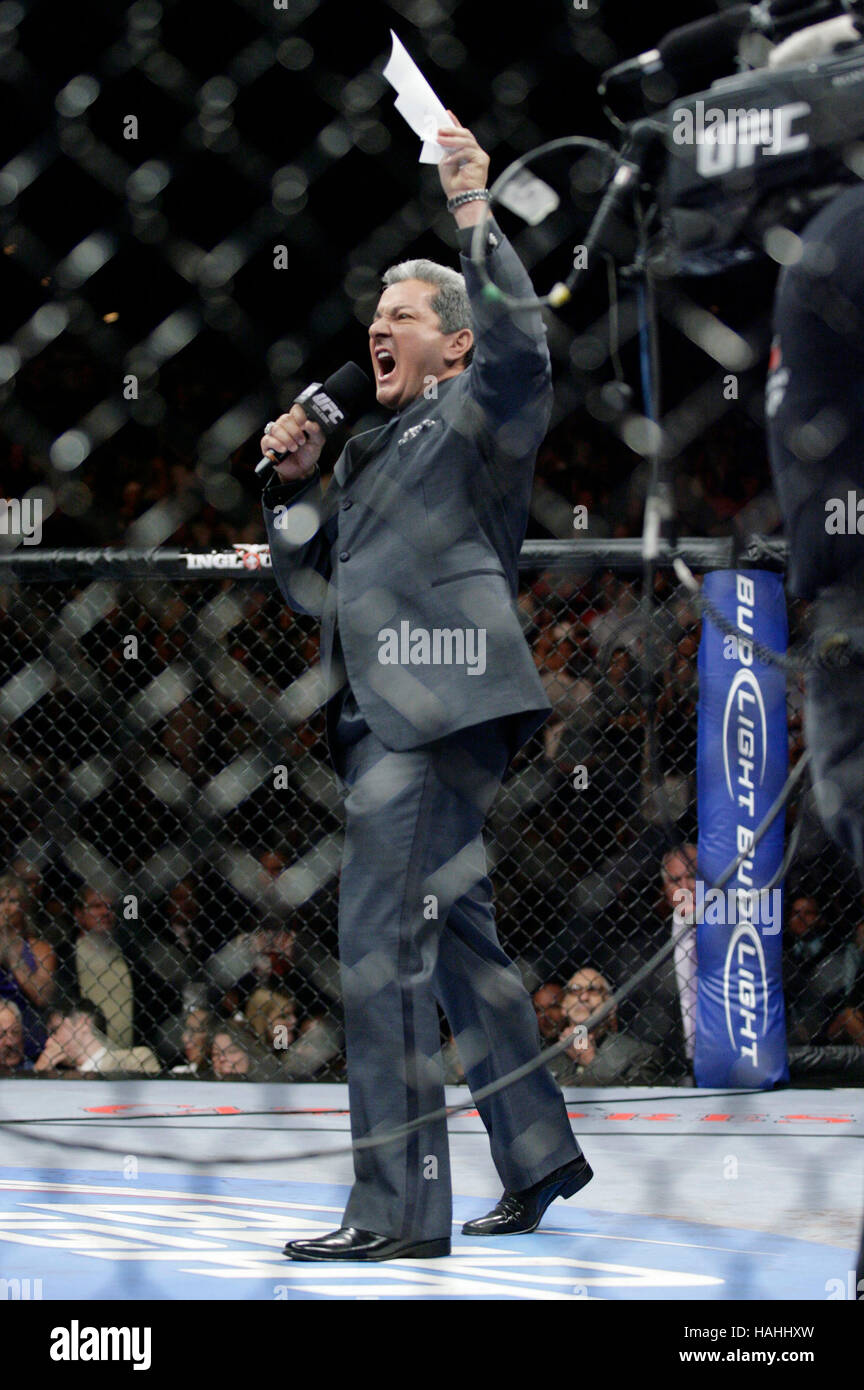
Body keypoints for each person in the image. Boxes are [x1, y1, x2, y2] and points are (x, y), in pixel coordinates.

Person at [260, 114, 591, 1262]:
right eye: (377, 313)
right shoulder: (365, 448)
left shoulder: (479, 413)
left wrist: (472, 213)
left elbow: (524, 348)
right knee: (454, 942)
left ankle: (397, 1209)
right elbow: (315, 585)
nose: (379, 328)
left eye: (405, 315)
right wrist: (293, 484)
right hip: (380, 717)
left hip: (442, 707)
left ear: (452, 346)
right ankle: (541, 1152)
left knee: (378, 941)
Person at [550, 968, 662, 1086]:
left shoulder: (641, 1055)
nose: (583, 997)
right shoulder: (543, 1058)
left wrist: (590, 1060)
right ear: (563, 1006)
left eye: (594, 990)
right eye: (575, 989)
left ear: (612, 1007)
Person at [33, 1000, 160, 1076]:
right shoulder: (58, 1076)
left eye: (55, 1031)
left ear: (82, 1024)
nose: (49, 1042)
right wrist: (40, 1071)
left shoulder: (135, 1059)